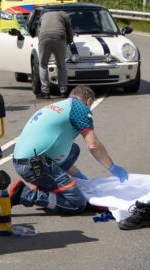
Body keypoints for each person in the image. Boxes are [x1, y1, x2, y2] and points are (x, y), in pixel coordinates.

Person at [8, 85, 130, 214]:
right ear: (88, 101)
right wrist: (112, 167)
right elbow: (93, 145)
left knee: (73, 149)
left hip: (23, 162)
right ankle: (25, 194)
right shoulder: (80, 108)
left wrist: (80, 177)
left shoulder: (60, 106)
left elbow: (61, 153)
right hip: (35, 165)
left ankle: (47, 189)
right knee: (77, 203)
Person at [36, 9, 73, 99]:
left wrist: (41, 41)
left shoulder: (44, 15)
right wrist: (68, 42)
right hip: (59, 37)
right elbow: (69, 31)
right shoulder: (65, 16)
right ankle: (63, 91)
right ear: (64, 13)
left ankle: (45, 92)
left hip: (44, 38)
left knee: (43, 65)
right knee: (61, 65)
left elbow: (38, 30)